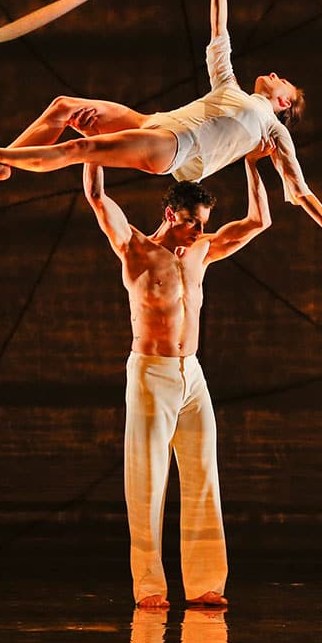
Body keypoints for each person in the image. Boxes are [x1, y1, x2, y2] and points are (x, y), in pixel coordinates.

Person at [0, 0, 322, 266]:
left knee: (79, 148)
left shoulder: (271, 131)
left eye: (282, 82)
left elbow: (300, 191)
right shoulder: (231, 87)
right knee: (64, 107)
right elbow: (219, 32)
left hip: (173, 148)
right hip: (153, 123)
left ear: (284, 104)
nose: (273, 75)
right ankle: (4, 165)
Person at [83, 146, 272, 609]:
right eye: (191, 222)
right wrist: (95, 143)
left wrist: (252, 164)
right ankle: (149, 587)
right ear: (170, 215)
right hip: (152, 371)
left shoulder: (201, 251)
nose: (198, 231)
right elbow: (97, 196)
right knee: (147, 481)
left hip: (193, 375)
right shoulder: (134, 248)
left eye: (203, 223)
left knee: (203, 475)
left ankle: (205, 583)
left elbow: (259, 221)